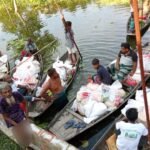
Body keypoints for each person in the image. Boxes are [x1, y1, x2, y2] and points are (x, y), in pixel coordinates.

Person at [0, 82, 32, 149]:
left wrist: (27, 116)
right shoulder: (1, 102)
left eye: (9, 91)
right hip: (11, 120)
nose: (8, 94)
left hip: (20, 115)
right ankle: (25, 146)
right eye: (5, 92)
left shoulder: (16, 94)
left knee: (27, 131)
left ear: (12, 89)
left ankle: (29, 143)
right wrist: (16, 125)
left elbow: (25, 103)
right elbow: (5, 117)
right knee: (19, 134)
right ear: (1, 94)